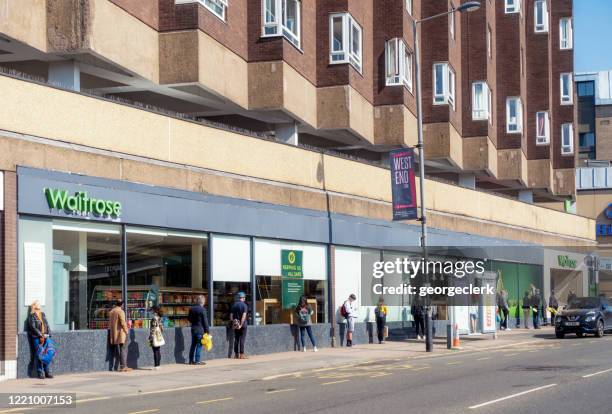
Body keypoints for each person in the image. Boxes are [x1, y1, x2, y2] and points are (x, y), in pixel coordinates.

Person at [28, 300, 53, 379]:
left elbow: (47, 324)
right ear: (34, 307)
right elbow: (33, 327)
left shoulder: (43, 314)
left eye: (39, 305)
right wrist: (40, 335)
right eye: (37, 305)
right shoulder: (32, 316)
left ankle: (47, 371)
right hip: (36, 337)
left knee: (48, 352)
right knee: (40, 353)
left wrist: (49, 333)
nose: (39, 306)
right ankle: (40, 372)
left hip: (46, 336)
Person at [109, 299, 131, 372]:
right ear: (122, 304)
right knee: (124, 349)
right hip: (121, 333)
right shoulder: (120, 311)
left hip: (114, 333)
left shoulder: (111, 311)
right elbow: (123, 322)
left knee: (119, 350)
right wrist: (126, 331)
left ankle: (119, 366)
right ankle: (123, 366)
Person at [188, 295, 209, 365]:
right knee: (199, 345)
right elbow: (205, 322)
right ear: (203, 301)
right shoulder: (203, 310)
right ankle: (197, 361)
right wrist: (207, 331)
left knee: (193, 345)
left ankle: (191, 360)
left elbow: (189, 319)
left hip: (193, 329)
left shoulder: (192, 309)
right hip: (200, 330)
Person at [230, 292, 249, 359]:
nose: (244, 299)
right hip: (243, 325)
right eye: (244, 298)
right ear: (242, 298)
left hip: (236, 324)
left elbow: (231, 316)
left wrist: (235, 323)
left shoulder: (234, 305)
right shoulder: (244, 305)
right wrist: (241, 324)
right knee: (242, 339)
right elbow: (244, 316)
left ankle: (236, 354)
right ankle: (242, 354)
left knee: (236, 339)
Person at [148, 305, 164, 370]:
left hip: (154, 335)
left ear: (155, 310)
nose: (151, 311)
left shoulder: (154, 318)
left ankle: (156, 365)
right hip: (159, 335)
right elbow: (162, 328)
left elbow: (153, 328)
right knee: (158, 350)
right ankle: (158, 365)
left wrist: (150, 337)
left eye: (152, 310)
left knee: (155, 350)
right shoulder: (159, 317)